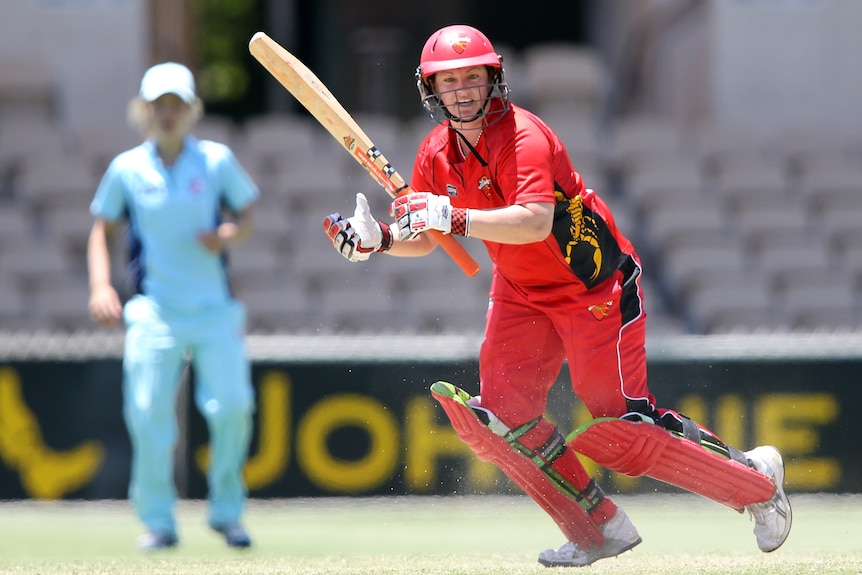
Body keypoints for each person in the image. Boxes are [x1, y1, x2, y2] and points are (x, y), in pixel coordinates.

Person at [322, 24, 792, 567]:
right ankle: (597, 529)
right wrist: (379, 241)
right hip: (522, 292)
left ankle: (755, 481)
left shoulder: (525, 136)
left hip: (593, 287)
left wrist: (451, 215)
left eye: (473, 76)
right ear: (432, 90)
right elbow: (427, 238)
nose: (463, 90)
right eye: (449, 81)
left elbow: (532, 221)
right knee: (498, 419)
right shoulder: (435, 153)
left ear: (493, 78)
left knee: (622, 430)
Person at [87, 62, 258, 551]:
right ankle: (158, 521)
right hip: (154, 310)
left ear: (191, 111)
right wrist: (102, 286)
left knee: (232, 408)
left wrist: (225, 234)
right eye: (158, 105)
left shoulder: (216, 161)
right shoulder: (127, 169)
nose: (166, 113)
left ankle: (227, 513)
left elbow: (247, 216)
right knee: (148, 413)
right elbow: (103, 230)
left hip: (213, 307)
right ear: (143, 111)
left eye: (176, 104)